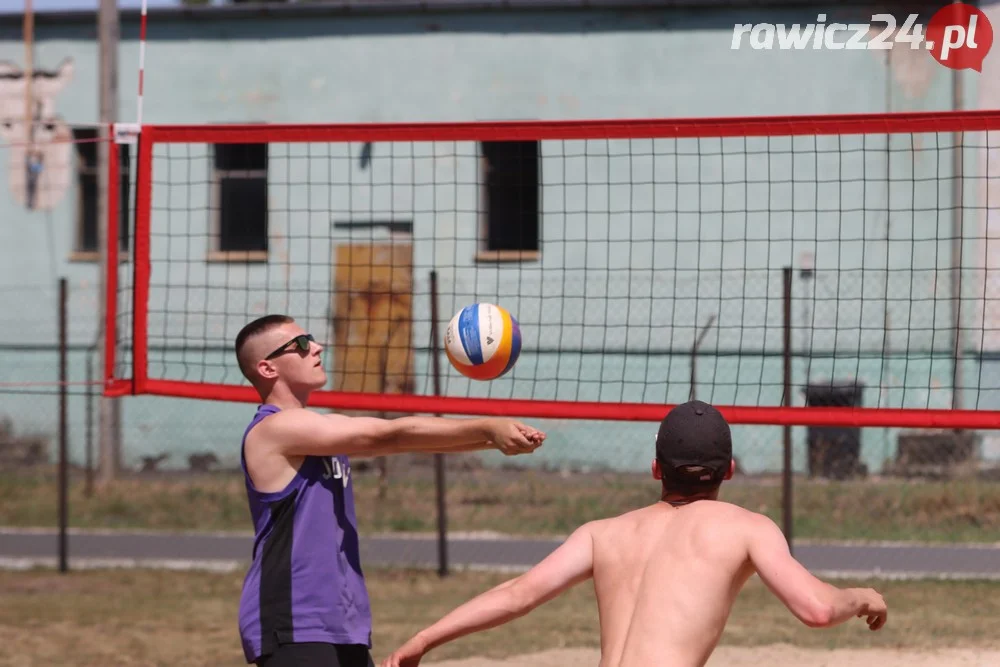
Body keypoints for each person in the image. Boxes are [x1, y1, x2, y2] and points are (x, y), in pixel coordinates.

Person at [381, 399, 887, 667]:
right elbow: (817, 610)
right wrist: (861, 596)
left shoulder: (603, 533)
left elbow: (518, 595)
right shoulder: (746, 529)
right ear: (729, 471)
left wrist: (424, 639)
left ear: (654, 468)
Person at [232, 314, 546, 667]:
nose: (317, 347)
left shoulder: (320, 429)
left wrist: (495, 440)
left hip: (340, 622)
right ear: (267, 368)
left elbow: (400, 441)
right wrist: (489, 425)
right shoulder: (273, 429)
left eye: (313, 339)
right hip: (293, 620)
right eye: (302, 344)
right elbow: (391, 434)